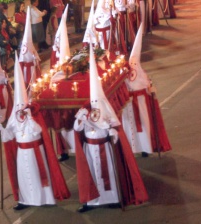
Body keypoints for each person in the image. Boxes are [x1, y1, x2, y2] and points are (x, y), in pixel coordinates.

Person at [73, 42, 148, 212]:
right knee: (92, 173)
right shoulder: (85, 110)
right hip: (90, 149)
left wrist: (110, 129)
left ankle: (113, 198)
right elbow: (77, 130)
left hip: (104, 147)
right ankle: (92, 201)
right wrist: (81, 119)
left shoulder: (107, 111)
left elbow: (115, 131)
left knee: (109, 175)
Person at [0, 52, 70, 210]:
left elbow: (38, 131)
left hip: (36, 150)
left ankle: (45, 198)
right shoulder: (14, 118)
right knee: (24, 176)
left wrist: (29, 116)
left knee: (38, 175)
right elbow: (8, 136)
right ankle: (25, 199)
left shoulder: (33, 115)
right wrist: (0, 130)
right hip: (22, 152)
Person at [122, 23, 172, 157]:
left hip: (138, 103)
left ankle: (144, 148)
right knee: (135, 126)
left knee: (142, 125)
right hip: (133, 103)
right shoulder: (136, 73)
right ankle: (138, 148)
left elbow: (147, 87)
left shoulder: (134, 73)